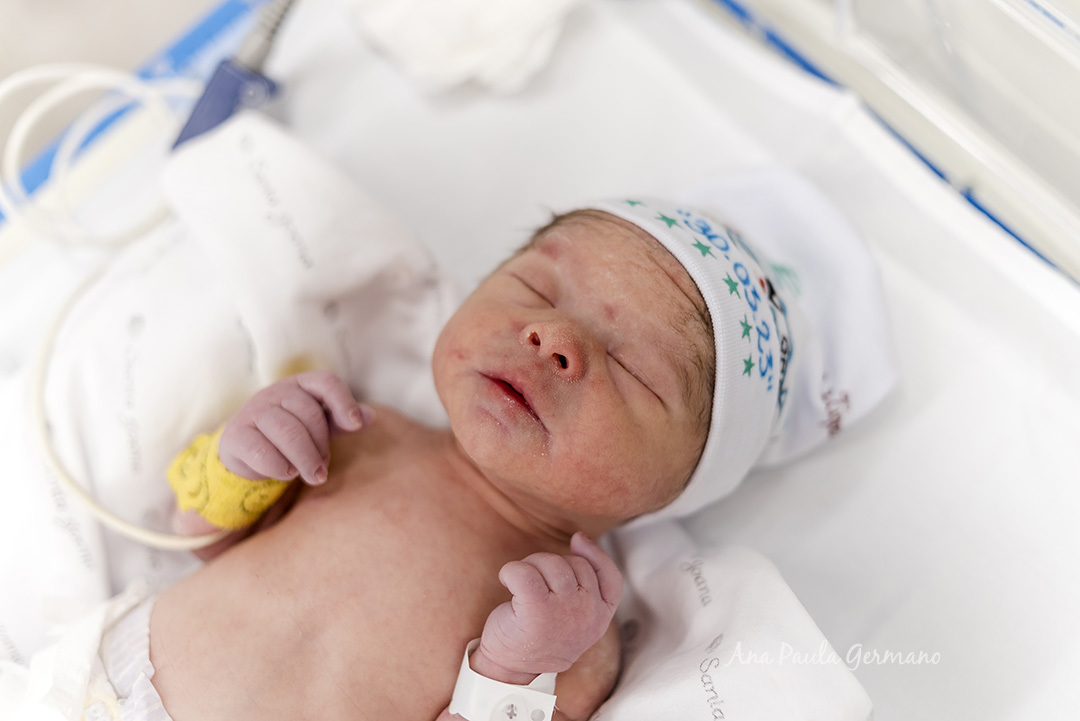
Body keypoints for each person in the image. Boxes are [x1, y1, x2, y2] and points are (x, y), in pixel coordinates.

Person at [73, 198, 798, 721]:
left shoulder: (572, 638)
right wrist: (245, 460)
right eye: (537, 289)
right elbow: (201, 539)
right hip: (87, 689)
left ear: (678, 486)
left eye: (635, 370)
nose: (553, 335)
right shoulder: (362, 431)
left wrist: (511, 672)